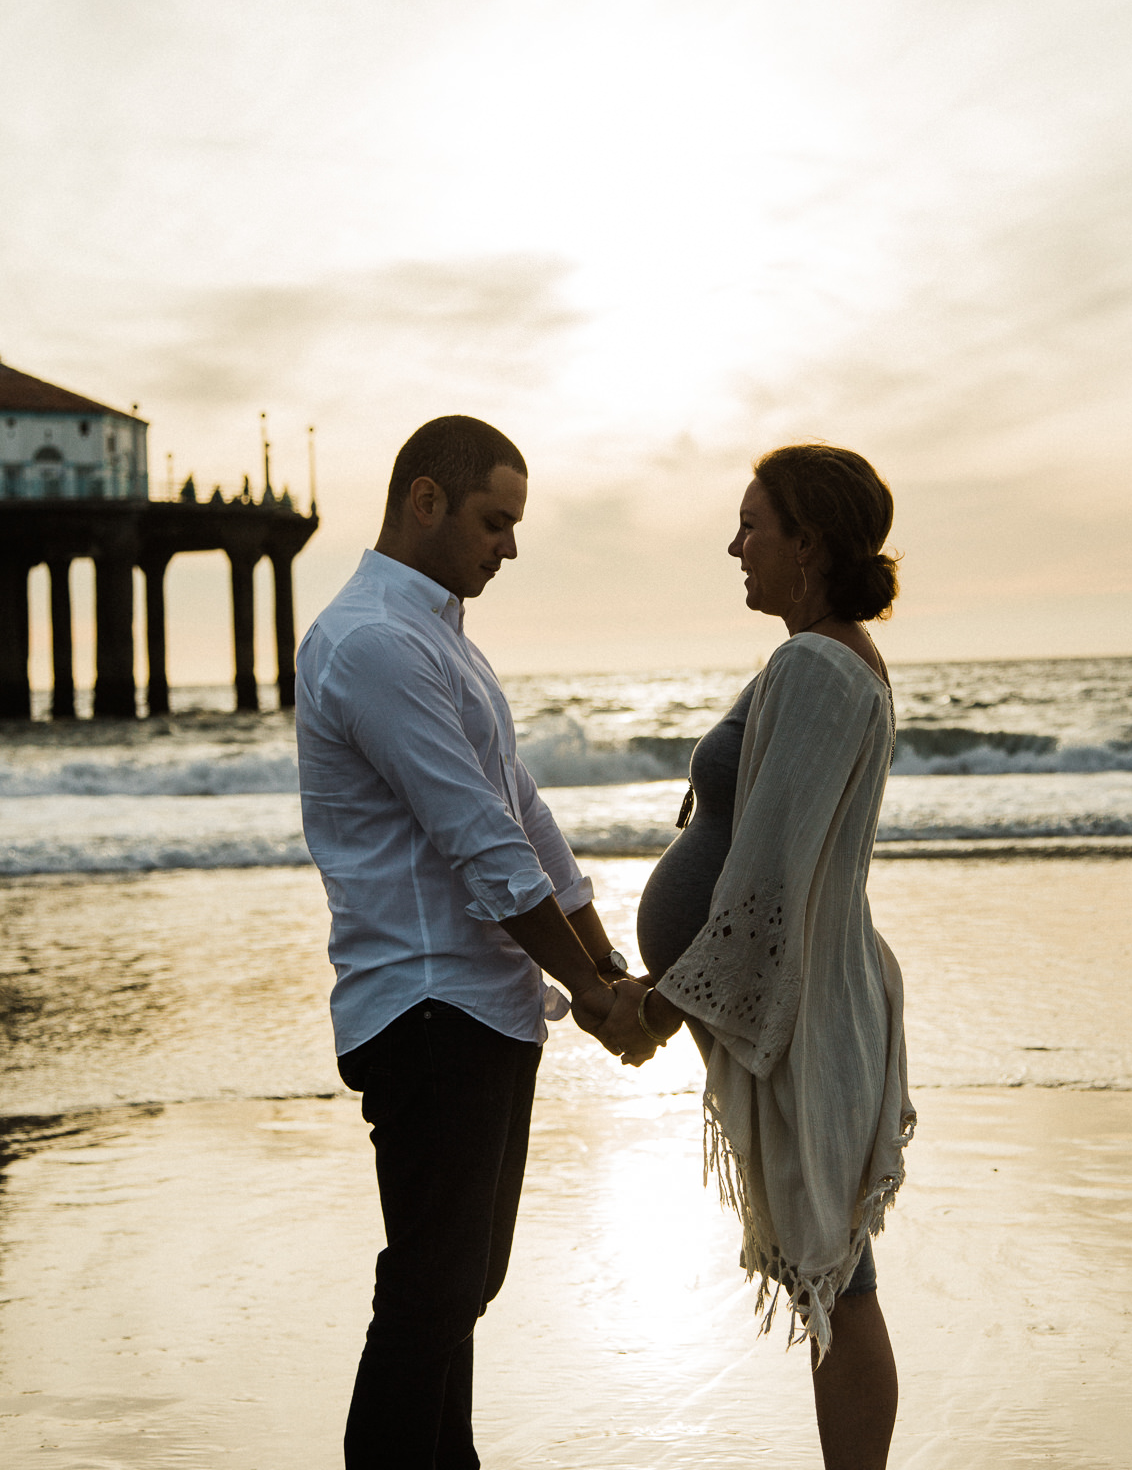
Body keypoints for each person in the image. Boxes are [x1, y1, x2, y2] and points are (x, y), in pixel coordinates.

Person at [295, 415, 650, 1470]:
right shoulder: (370, 644)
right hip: (425, 1006)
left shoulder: (441, 642)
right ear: (425, 500)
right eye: (496, 521)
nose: (510, 546)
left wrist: (607, 967)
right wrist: (594, 995)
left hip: (485, 1004)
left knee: (459, 1291)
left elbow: (526, 815)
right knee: (431, 1294)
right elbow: (478, 843)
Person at [635, 441, 915, 1470]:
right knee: (838, 1273)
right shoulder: (825, 657)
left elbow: (766, 879)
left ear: (811, 542)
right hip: (814, 999)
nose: (735, 545)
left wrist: (658, 1009)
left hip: (806, 1007)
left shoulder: (815, 664)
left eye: (754, 526)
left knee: (843, 1280)